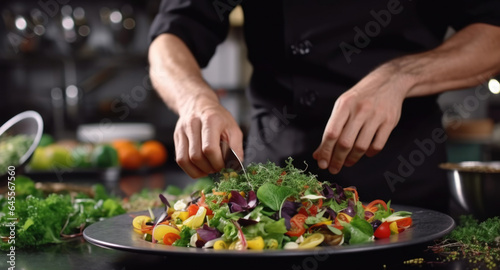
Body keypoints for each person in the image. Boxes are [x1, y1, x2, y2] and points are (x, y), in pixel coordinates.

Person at [148, 0, 500, 212]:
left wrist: (399, 76)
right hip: (274, 186)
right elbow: (170, 36)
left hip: (405, 186)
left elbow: (493, 33)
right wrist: (195, 99)